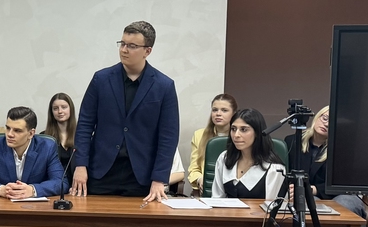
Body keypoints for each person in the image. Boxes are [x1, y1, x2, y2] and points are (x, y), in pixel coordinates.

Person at [71, 21, 179, 203]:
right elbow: (84, 125)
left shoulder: (164, 86)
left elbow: (168, 136)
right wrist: (80, 165)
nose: (124, 50)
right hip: (101, 171)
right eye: (122, 43)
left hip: (141, 175)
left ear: (147, 51)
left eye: (132, 46)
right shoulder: (101, 79)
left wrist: (159, 178)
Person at [289, 106, 368, 227]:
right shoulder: (293, 141)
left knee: (346, 206)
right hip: (307, 195)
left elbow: (345, 180)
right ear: (317, 117)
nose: (326, 124)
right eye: (324, 118)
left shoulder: (343, 148)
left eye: (332, 123)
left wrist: (315, 190)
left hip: (339, 193)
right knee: (308, 208)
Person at [0, 106, 65, 198]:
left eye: (17, 130)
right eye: (8, 128)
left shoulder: (47, 147)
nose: (10, 134)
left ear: (31, 133)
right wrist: (0, 189)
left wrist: (33, 190)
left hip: (35, 208)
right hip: (4, 206)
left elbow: (61, 182)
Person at [211, 108, 286, 199]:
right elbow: (216, 198)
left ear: (257, 133)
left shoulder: (274, 169)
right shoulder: (225, 157)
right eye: (233, 129)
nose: (236, 135)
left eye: (243, 129)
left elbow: (273, 205)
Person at [188, 94, 238, 196]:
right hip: (205, 191)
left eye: (224, 110)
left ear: (234, 114)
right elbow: (194, 168)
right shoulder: (199, 135)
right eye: (215, 110)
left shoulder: (239, 136)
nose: (218, 114)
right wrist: (200, 179)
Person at [42, 92, 77, 175]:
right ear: (51, 112)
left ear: (71, 109)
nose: (60, 111)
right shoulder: (44, 137)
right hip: (54, 181)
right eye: (55, 108)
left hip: (79, 182)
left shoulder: (81, 135)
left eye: (64, 107)